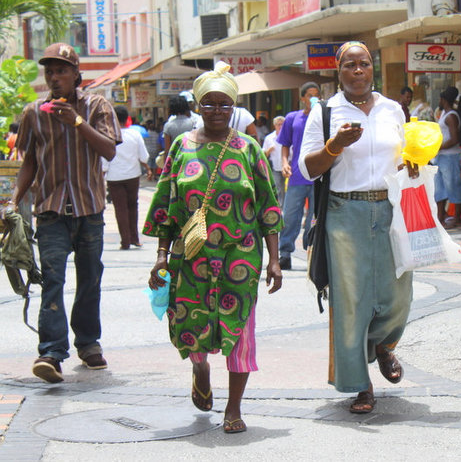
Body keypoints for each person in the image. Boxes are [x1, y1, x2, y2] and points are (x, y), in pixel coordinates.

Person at [144, 61, 283, 434]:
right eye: (210, 104)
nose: (217, 111)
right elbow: (166, 205)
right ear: (198, 107)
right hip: (192, 257)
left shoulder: (249, 149)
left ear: (233, 108)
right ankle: (200, 369)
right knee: (191, 326)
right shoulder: (181, 147)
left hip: (241, 256)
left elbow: (268, 205)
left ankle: (233, 409)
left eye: (225, 105)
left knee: (240, 332)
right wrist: (161, 256)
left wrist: (274, 259)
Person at [299, 41, 417, 414]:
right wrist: (334, 146)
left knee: (399, 293)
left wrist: (412, 164)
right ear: (339, 70)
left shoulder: (392, 109)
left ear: (372, 68)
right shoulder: (325, 112)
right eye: (349, 65)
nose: (357, 71)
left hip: (389, 208)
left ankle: (383, 345)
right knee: (351, 302)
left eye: (364, 64)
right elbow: (307, 169)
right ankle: (360, 385)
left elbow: (403, 156)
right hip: (343, 212)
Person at [7, 43, 121, 383]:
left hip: (89, 209)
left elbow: (109, 150)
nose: (54, 78)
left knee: (89, 279)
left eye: (61, 71)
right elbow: (29, 162)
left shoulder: (97, 105)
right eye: (50, 72)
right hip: (51, 210)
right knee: (52, 280)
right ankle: (52, 353)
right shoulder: (33, 113)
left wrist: (76, 122)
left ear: (76, 74)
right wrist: (14, 201)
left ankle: (88, 343)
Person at [276, 82, 320, 270]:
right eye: (309, 95)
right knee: (290, 217)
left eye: (316, 95)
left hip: (319, 176)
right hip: (296, 176)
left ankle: (312, 251)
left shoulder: (324, 117)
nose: (312, 99)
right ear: (302, 98)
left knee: (314, 218)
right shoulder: (292, 118)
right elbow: (285, 144)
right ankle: (285, 253)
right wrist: (285, 163)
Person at [103, 106, 150, 250]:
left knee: (120, 209)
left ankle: (125, 241)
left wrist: (102, 175)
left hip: (114, 177)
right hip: (133, 175)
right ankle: (135, 238)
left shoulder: (108, 135)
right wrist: (146, 168)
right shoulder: (135, 134)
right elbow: (144, 156)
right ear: (127, 118)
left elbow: (104, 161)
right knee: (132, 206)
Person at [434, 86, 461, 229]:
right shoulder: (445, 114)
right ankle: (440, 216)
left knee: (453, 186)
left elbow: (454, 139)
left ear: (444, 100)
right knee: (439, 187)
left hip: (450, 156)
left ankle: (456, 217)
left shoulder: (451, 116)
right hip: (441, 157)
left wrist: (438, 147)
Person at [262, 115, 286, 207]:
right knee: (278, 188)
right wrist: (269, 150)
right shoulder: (269, 138)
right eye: (278, 124)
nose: (280, 126)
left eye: (282, 124)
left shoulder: (289, 136)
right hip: (275, 168)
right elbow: (263, 155)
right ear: (274, 126)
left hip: (288, 167)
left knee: (287, 189)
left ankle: (285, 207)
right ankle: (279, 208)